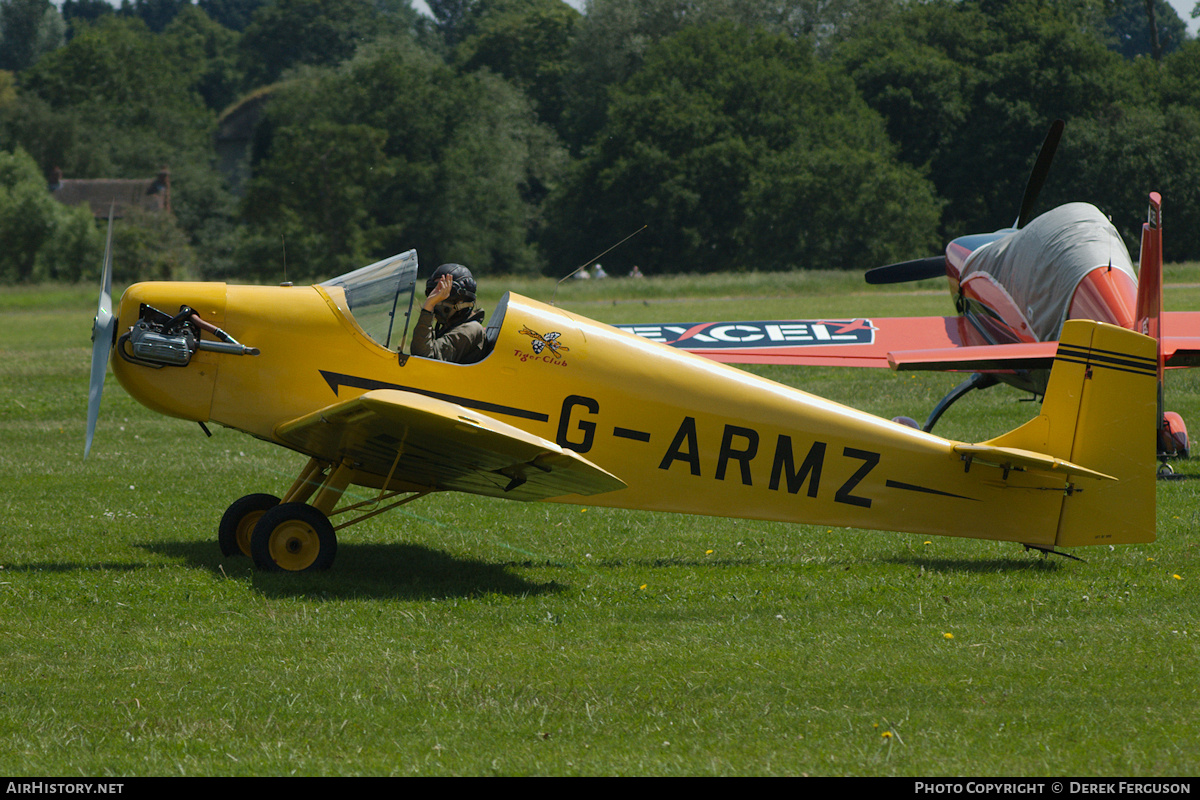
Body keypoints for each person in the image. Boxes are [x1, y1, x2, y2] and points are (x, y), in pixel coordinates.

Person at [411, 263, 487, 364]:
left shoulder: (471, 329)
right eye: (435, 292)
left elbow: (425, 360)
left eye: (444, 293)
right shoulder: (448, 327)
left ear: (462, 301)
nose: (437, 298)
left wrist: (429, 306)